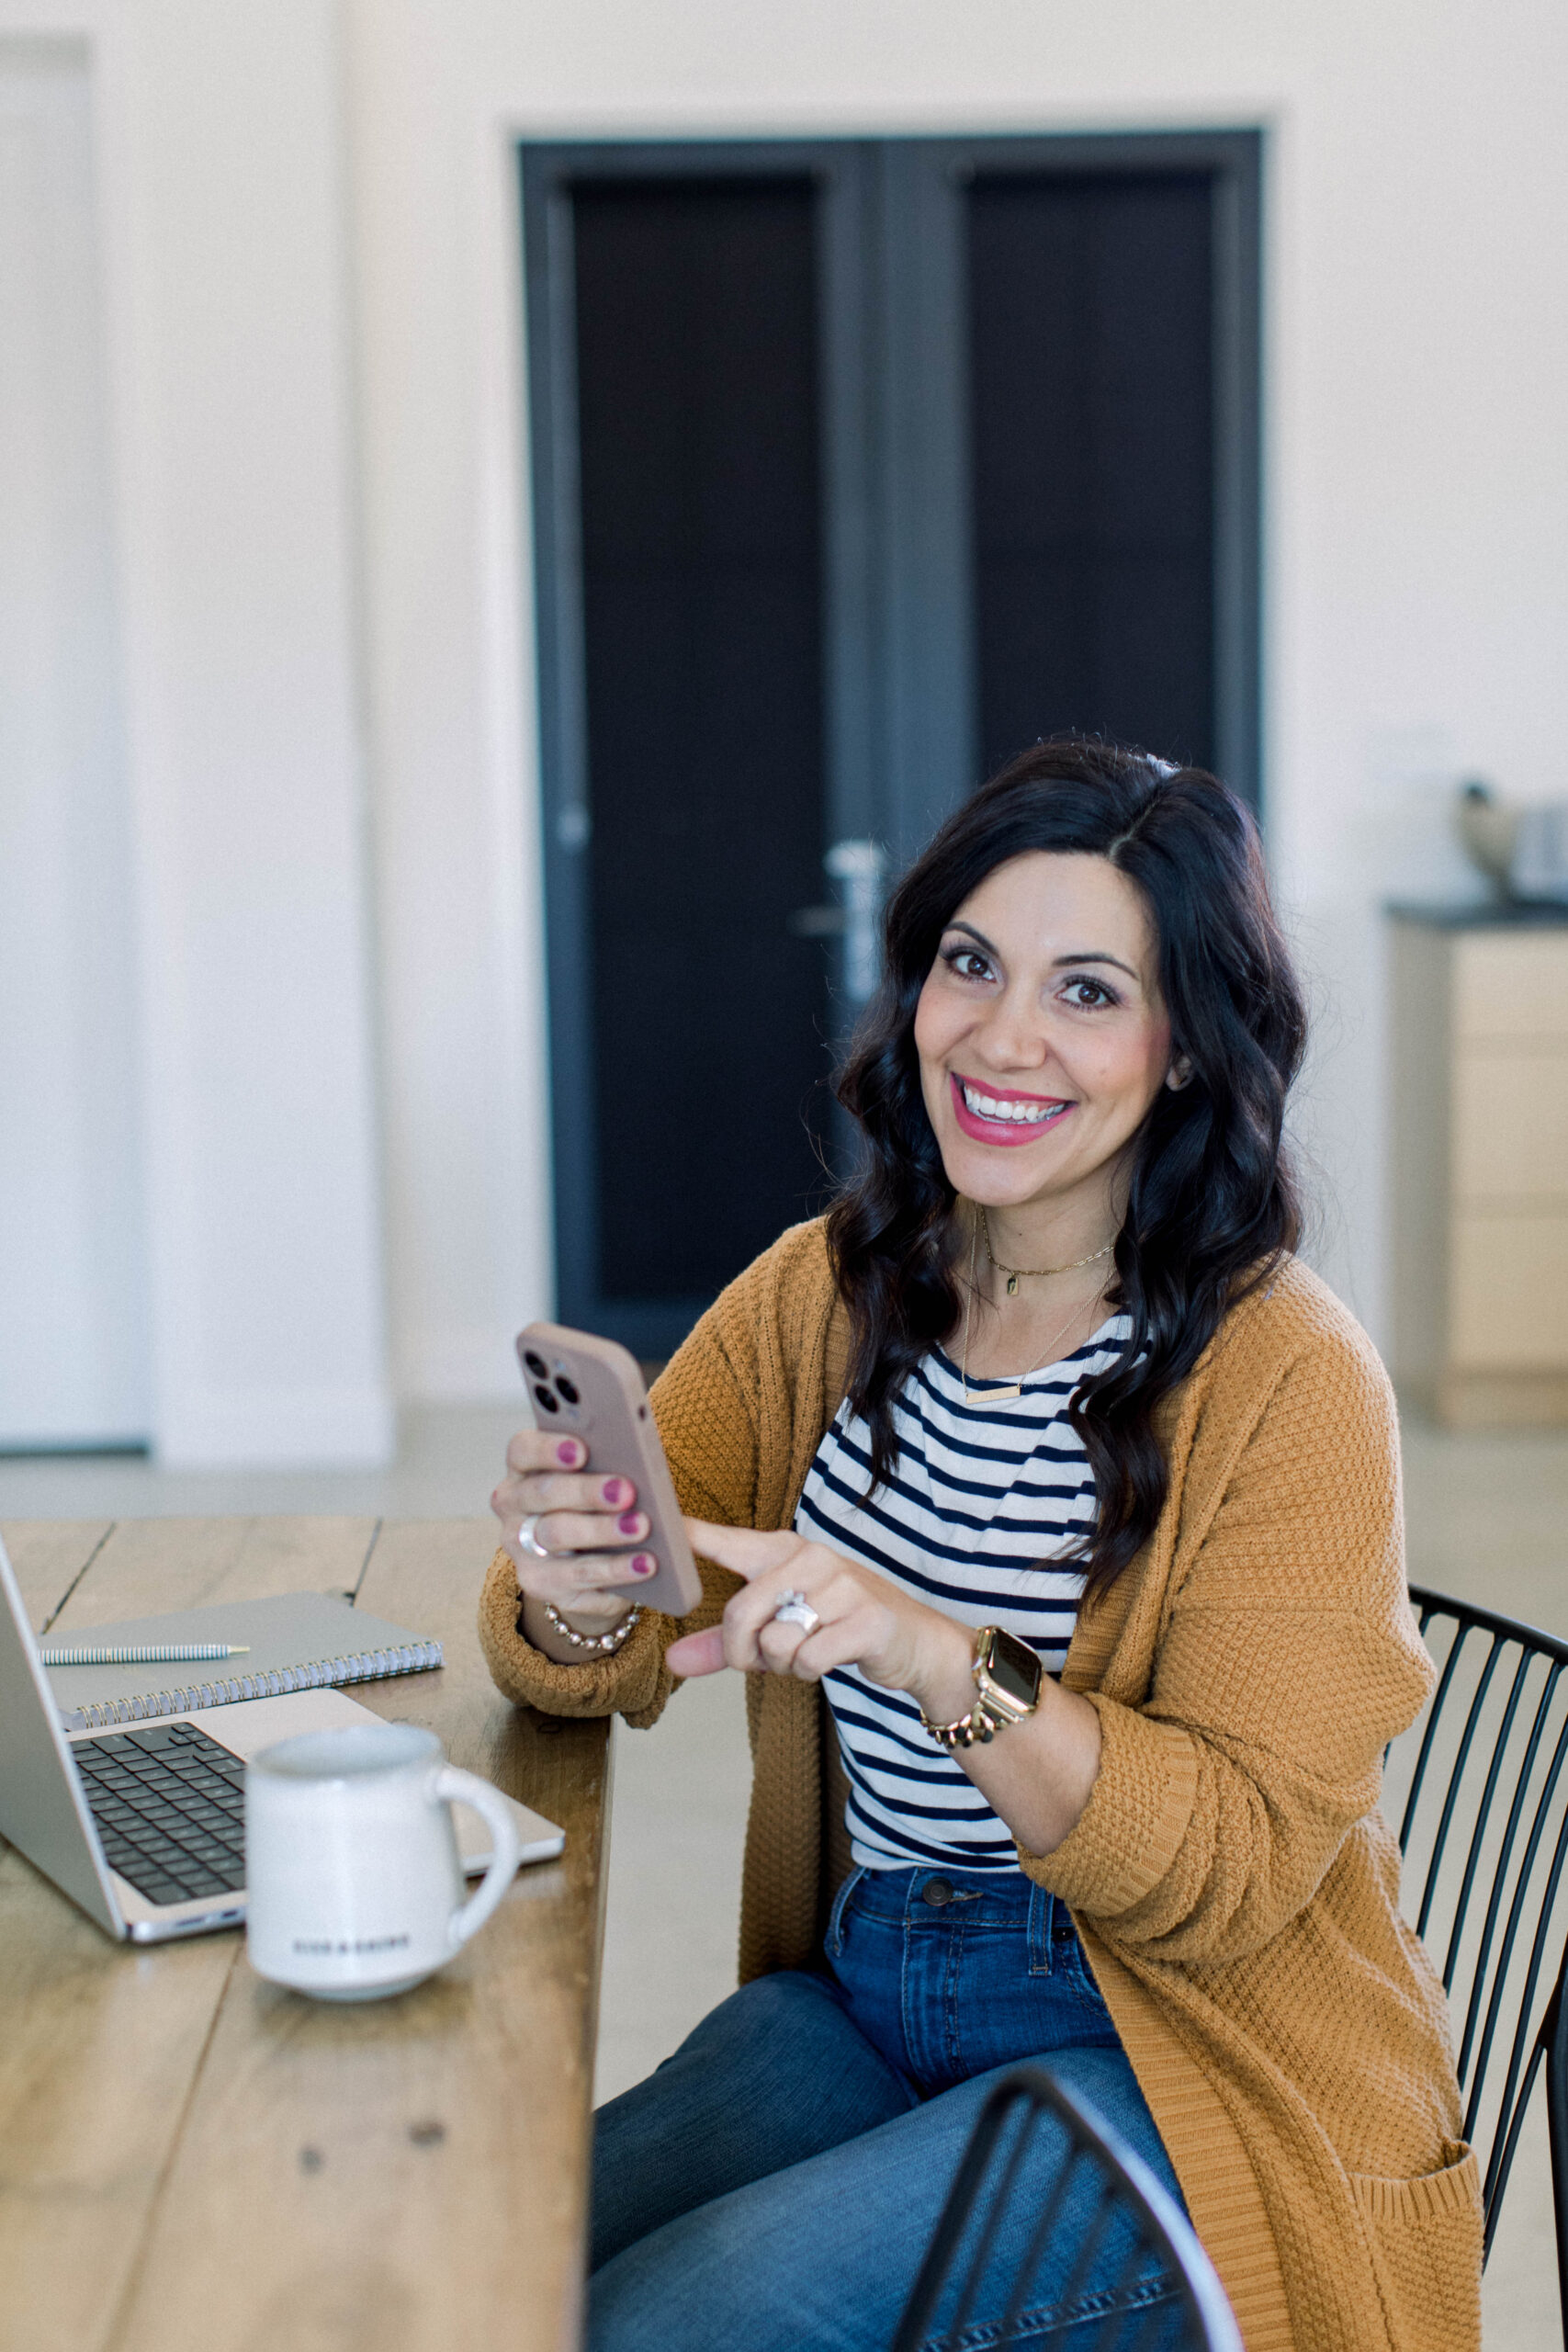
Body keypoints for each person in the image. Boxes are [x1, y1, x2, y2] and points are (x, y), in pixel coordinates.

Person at [480, 740, 1482, 2352]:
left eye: (1089, 992)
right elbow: (572, 1651)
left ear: (1184, 1048)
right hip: (879, 1981)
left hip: (1181, 2059)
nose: (1005, 1037)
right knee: (499, 2257)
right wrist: (572, 1584)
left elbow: (1223, 1877)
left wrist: (934, 1650)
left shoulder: (1285, 1376)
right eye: (971, 964)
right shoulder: (828, 1290)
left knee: (673, 2323)